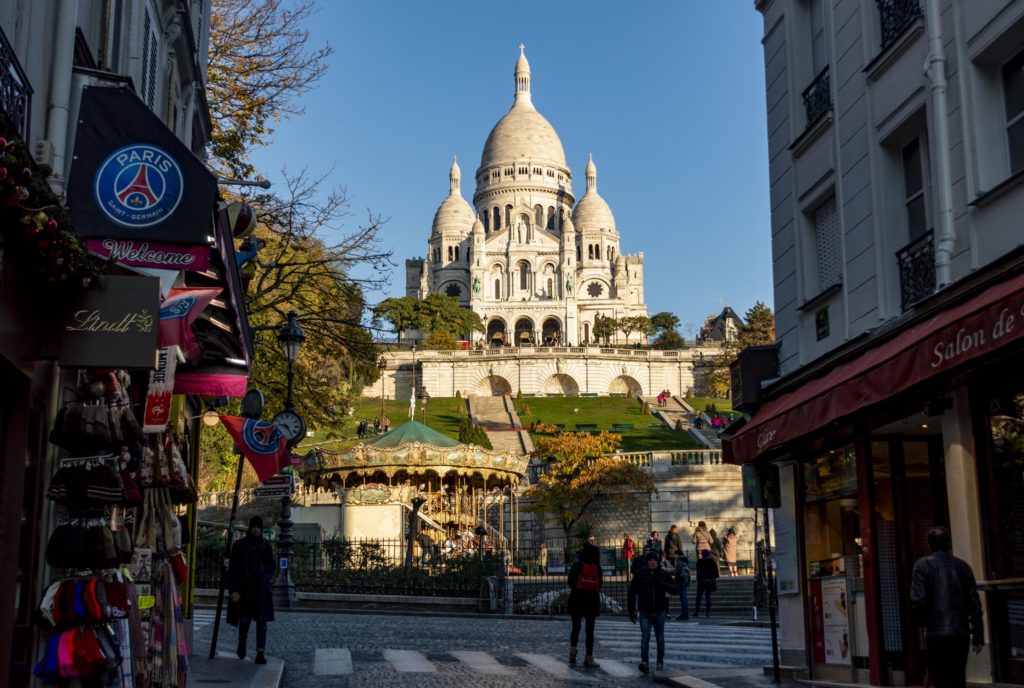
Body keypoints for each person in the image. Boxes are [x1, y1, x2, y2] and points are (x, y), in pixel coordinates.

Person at [910, 526, 984, 688]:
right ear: (949, 544)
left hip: (936, 633)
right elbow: (974, 604)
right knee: (958, 677)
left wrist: (921, 625)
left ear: (929, 545)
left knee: (941, 678)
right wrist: (978, 635)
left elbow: (918, 601)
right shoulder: (963, 567)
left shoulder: (922, 566)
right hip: (960, 631)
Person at [227, 516, 275, 664]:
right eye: (253, 527)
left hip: (261, 590)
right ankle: (242, 641)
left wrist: (265, 577)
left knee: (261, 622)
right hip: (244, 589)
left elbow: (271, 565)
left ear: (261, 529)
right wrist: (233, 589)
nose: (255, 529)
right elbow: (233, 569)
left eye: (258, 527)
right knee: (245, 620)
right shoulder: (240, 545)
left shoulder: (266, 545)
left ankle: (260, 653)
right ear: (250, 527)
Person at [628, 551, 677, 674]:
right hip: (645, 611)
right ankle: (645, 662)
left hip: (660, 610)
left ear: (658, 561)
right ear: (647, 561)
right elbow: (632, 592)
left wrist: (661, 584)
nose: (652, 562)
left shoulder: (663, 574)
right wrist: (631, 609)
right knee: (645, 637)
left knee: (660, 638)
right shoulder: (640, 574)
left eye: (654, 560)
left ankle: (659, 662)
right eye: (650, 560)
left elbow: (675, 589)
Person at [567, 538, 602, 668]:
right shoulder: (597, 569)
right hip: (592, 601)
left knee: (575, 628)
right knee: (590, 631)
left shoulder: (577, 566)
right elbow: (600, 585)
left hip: (577, 599)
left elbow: (570, 582)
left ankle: (573, 650)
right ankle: (589, 657)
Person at [694, 549, 720, 617]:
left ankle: (697, 612)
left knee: (698, 597)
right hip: (709, 581)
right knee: (708, 597)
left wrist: (699, 579)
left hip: (701, 582)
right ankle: (708, 612)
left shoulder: (699, 561)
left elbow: (698, 572)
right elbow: (716, 574)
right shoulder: (712, 562)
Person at [674, 554, 690, 620]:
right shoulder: (685, 563)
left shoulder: (679, 562)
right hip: (685, 582)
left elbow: (677, 572)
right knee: (684, 598)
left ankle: (684, 613)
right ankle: (685, 613)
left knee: (683, 598)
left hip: (681, 582)